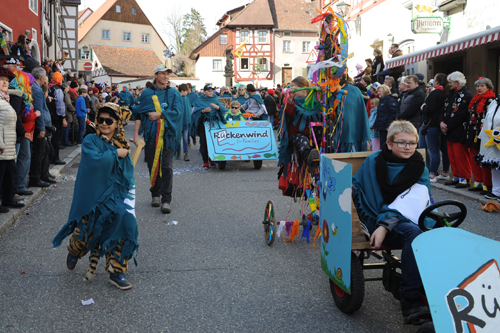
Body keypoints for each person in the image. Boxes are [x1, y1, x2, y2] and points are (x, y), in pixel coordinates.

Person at [52, 103, 138, 290]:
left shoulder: (122, 144)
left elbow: (126, 173)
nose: (104, 124)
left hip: (115, 197)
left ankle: (116, 272)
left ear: (117, 124)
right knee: (86, 232)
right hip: (94, 198)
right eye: (101, 120)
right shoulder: (91, 140)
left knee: (121, 227)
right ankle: (74, 250)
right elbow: (94, 161)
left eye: (109, 121)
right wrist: (116, 154)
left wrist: (129, 195)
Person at [353, 120, 431, 325]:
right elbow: (359, 187)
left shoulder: (418, 166)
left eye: (412, 143)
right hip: (376, 215)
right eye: (402, 143)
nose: (408, 148)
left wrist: (385, 224)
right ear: (389, 143)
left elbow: (415, 201)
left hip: (408, 215)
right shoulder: (373, 162)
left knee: (440, 233)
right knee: (413, 234)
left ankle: (439, 289)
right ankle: (410, 299)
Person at [133, 64, 181, 214]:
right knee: (153, 165)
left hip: (168, 137)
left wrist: (160, 115)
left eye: (168, 74)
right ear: (155, 75)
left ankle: (166, 200)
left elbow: (178, 112)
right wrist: (136, 135)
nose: (166, 76)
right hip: (151, 136)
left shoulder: (174, 93)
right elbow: (139, 115)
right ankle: (155, 194)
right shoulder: (146, 93)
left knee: (166, 167)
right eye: (162, 73)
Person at [277, 76, 322, 174]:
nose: (291, 89)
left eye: (294, 87)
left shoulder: (314, 100)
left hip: (312, 132)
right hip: (297, 133)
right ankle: (309, 161)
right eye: (290, 87)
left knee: (322, 134)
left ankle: (320, 160)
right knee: (303, 142)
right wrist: (291, 98)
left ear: (304, 88)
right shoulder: (292, 101)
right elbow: (288, 112)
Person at [440, 71, 473, 188]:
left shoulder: (467, 95)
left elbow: (461, 114)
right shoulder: (452, 94)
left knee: (460, 156)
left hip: (459, 130)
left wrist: (448, 126)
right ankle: (457, 177)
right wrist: (442, 122)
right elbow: (444, 109)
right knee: (452, 156)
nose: (449, 84)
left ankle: (465, 178)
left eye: (450, 82)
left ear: (457, 82)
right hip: (449, 130)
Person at [0, 67, 25, 213]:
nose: (5, 82)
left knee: (10, 171)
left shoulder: (5, 97)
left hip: (8, 142)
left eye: (7, 80)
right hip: (2, 143)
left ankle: (9, 199)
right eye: (1, 80)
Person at [465, 77, 495, 192]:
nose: (479, 88)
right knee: (474, 158)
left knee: (484, 159)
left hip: (485, 134)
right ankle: (478, 182)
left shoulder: (492, 101)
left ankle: (487, 185)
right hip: (473, 133)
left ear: (488, 88)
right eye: (478, 86)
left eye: (482, 86)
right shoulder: (475, 100)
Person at [419, 73, 448, 182]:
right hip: (441, 124)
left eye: (435, 79)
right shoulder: (446, 93)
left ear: (437, 81)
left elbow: (429, 109)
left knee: (433, 150)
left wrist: (423, 108)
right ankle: (445, 172)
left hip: (432, 124)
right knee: (443, 150)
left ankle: (432, 174)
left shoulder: (435, 93)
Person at [191, 84, 227, 169]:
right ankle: (205, 162)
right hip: (203, 124)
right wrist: (203, 111)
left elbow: (223, 110)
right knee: (203, 143)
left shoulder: (215, 99)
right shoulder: (199, 100)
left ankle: (212, 159)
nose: (210, 92)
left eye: (211, 91)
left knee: (213, 142)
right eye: (208, 91)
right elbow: (194, 113)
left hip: (214, 124)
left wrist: (217, 107)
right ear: (204, 92)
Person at [29, 67, 51, 188]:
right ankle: (35, 178)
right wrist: (42, 128)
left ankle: (43, 175)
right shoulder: (37, 90)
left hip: (40, 124)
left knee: (45, 150)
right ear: (42, 78)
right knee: (39, 152)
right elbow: (39, 110)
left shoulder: (36, 88)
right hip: (38, 126)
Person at [477, 95, 500, 201]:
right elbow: (487, 121)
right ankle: (496, 191)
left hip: (497, 138)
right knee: (494, 166)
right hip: (491, 139)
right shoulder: (494, 102)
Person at [47, 72, 67, 165]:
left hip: (50, 115)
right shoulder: (58, 89)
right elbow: (60, 105)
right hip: (57, 117)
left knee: (51, 138)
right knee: (56, 139)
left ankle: (51, 157)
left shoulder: (49, 87)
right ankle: (55, 158)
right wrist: (63, 117)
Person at [175, 84, 191, 161]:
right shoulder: (177, 99)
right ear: (182, 91)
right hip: (178, 122)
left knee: (185, 138)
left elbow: (188, 110)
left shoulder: (187, 99)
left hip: (186, 122)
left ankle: (186, 153)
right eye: (186, 91)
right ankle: (178, 152)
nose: (187, 93)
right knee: (177, 138)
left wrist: (189, 120)